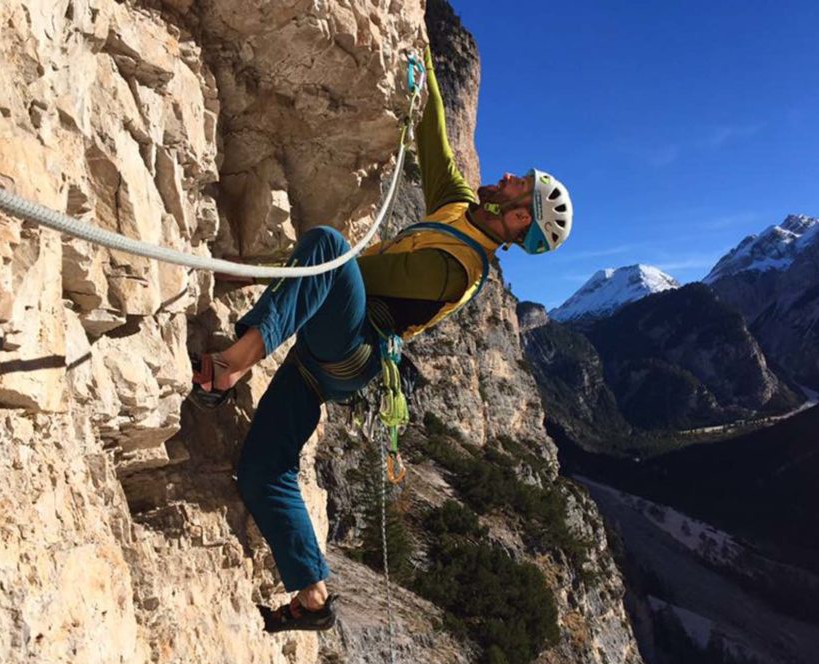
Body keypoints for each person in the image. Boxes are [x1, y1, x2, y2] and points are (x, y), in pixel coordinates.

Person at [191, 48, 572, 632]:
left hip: (354, 349)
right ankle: (313, 597)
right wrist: (421, 55)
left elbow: (359, 275)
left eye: (522, 186)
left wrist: (263, 269)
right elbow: (435, 140)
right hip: (332, 353)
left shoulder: (460, 268)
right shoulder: (462, 209)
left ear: (520, 221)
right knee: (264, 467)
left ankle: (231, 366)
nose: (511, 177)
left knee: (324, 247)